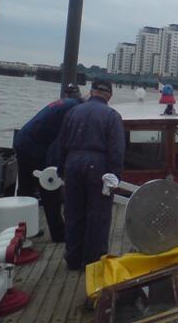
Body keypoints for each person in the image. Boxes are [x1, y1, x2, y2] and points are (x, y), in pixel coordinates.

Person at [59, 78, 124, 270]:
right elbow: (117, 150)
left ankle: (72, 259)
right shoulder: (112, 116)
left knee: (73, 212)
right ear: (109, 95)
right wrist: (115, 175)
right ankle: (93, 262)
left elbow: (61, 143)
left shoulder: (73, 111)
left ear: (91, 91)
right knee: (98, 214)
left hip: (72, 163)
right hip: (98, 166)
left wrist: (61, 168)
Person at [13, 83, 84, 242]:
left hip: (23, 141)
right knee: (49, 188)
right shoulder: (72, 110)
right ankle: (59, 234)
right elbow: (59, 142)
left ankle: (23, 230)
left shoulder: (64, 103)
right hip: (33, 147)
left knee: (26, 190)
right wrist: (57, 169)